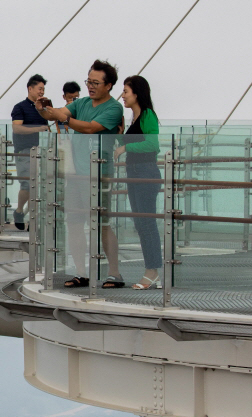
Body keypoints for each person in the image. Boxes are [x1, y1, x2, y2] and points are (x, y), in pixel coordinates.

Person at [35, 59, 124, 289]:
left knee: (102, 223)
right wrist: (43, 108)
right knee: (74, 223)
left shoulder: (114, 108)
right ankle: (81, 273)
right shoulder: (81, 102)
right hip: (74, 175)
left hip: (98, 175)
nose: (90, 86)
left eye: (95, 82)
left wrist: (62, 117)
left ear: (109, 85)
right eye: (88, 81)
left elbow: (91, 127)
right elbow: (56, 114)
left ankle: (114, 273)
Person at [112, 75, 162, 290]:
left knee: (147, 224)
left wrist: (126, 147)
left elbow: (152, 145)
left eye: (125, 91)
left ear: (136, 93)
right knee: (141, 224)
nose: (122, 95)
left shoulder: (148, 115)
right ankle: (151, 270)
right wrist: (120, 136)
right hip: (134, 172)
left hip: (145, 172)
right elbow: (132, 142)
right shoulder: (135, 117)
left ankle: (152, 271)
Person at [11, 74, 51, 230]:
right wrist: (38, 129)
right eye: (40, 89)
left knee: (39, 186)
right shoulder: (20, 107)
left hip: (41, 151)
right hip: (24, 151)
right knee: (27, 184)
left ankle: (33, 220)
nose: (42, 92)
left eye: (43, 89)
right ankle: (20, 211)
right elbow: (16, 128)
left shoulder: (43, 109)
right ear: (30, 88)